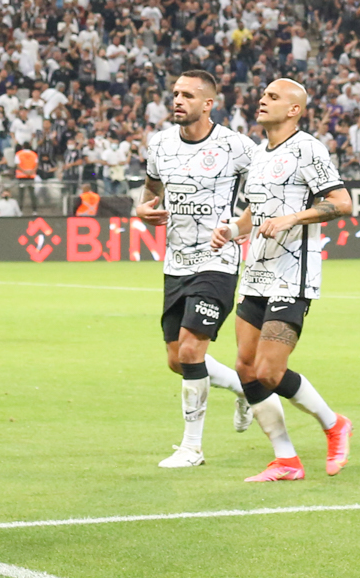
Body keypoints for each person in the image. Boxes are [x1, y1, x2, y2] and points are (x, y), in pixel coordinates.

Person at [218, 77, 354, 482]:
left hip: (292, 274)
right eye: (262, 94)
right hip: (256, 273)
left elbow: (342, 202)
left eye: (273, 97)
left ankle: (334, 425)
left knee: (270, 372)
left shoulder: (307, 149)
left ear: (294, 109)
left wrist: (294, 217)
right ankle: (286, 459)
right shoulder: (258, 154)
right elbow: (252, 213)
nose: (262, 100)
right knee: (245, 367)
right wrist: (231, 231)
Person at [136, 69, 254, 469]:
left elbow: (266, 196)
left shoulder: (237, 147)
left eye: (187, 94)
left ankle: (192, 448)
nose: (177, 100)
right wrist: (142, 207)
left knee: (190, 349)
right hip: (175, 262)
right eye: (175, 93)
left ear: (208, 103)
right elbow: (152, 188)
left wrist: (236, 228)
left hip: (218, 260)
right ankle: (243, 388)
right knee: (178, 359)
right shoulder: (161, 144)